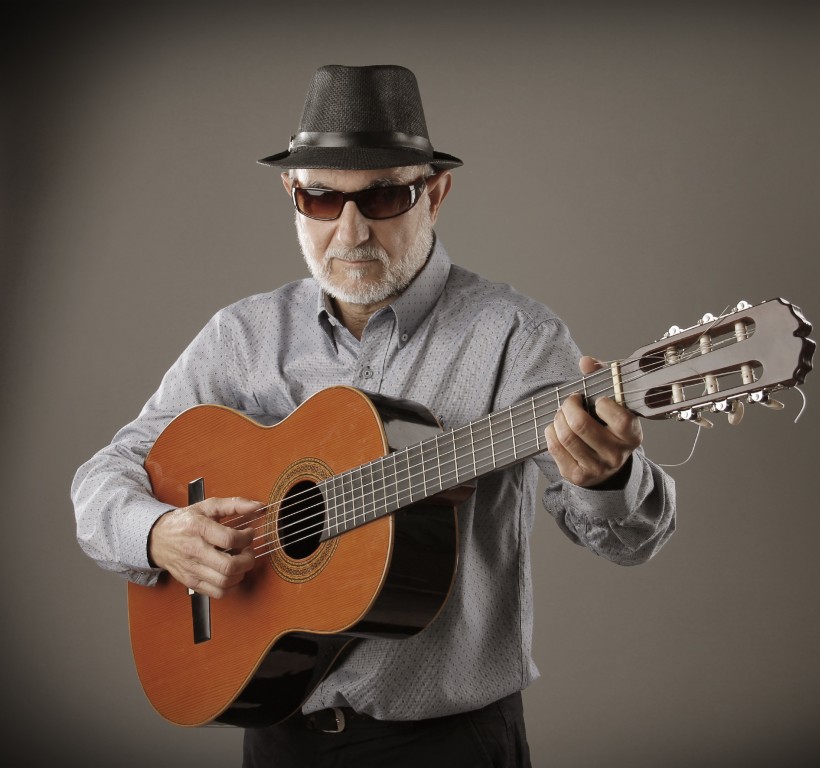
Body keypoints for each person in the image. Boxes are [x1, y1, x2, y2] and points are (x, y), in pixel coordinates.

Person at [72, 64, 676, 767]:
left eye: (384, 196)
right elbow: (100, 480)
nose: (351, 232)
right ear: (292, 197)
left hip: (449, 744)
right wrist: (160, 533)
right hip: (277, 737)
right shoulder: (243, 337)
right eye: (322, 200)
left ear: (436, 193)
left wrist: (608, 477)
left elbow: (629, 542)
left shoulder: (515, 336)